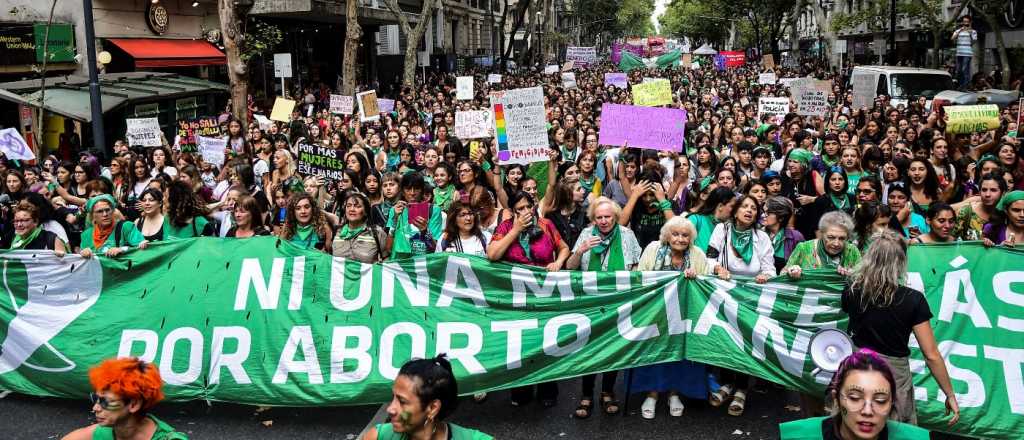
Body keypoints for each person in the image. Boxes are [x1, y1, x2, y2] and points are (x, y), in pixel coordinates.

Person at [843, 230, 960, 425]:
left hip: (857, 369)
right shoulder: (913, 300)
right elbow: (931, 354)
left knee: (856, 425)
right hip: (893, 376)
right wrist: (950, 394)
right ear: (901, 260)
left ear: (869, 257)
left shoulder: (852, 291)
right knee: (894, 428)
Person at [565, 197, 642, 418]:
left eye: (608, 217)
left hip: (618, 302)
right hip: (591, 303)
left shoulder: (627, 235)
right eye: (599, 217)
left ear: (615, 216)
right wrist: (580, 251)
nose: (604, 221)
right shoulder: (586, 234)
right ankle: (586, 394)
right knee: (590, 349)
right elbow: (570, 267)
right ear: (593, 219)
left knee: (612, 348)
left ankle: (608, 392)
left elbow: (637, 266)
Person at [632, 216, 714, 419]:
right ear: (667, 236)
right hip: (656, 313)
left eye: (685, 235)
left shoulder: (697, 254)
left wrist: (697, 277)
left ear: (691, 238)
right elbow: (640, 278)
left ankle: (674, 393)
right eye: (675, 234)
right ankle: (652, 394)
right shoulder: (652, 249)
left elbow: (707, 283)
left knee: (679, 355)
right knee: (655, 354)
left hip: (684, 315)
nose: (680, 238)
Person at [706, 195, 776, 416]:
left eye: (753, 208)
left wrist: (765, 276)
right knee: (727, 338)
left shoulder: (762, 237)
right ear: (735, 211)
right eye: (744, 206)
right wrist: (718, 269)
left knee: (746, 339)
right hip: (724, 294)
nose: (749, 211)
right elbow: (709, 258)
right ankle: (726, 383)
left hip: (751, 296)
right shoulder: (721, 231)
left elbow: (770, 269)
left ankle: (742, 389)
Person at [778, 349, 930, 440]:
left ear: (891, 404)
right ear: (836, 399)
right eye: (855, 398)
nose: (867, 411)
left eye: (880, 400)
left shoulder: (913, 438)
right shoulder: (798, 436)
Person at [362, 355, 492, 440]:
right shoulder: (377, 437)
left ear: (432, 408)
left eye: (402, 401)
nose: (390, 409)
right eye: (393, 398)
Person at [61, 357, 187, 440]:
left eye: (105, 402)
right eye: (96, 399)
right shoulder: (104, 432)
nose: (95, 408)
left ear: (133, 405)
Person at [785, 211, 861, 277]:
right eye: (831, 237)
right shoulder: (804, 248)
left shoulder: (852, 251)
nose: (836, 243)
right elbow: (783, 275)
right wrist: (791, 271)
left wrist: (853, 274)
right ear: (821, 234)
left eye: (842, 238)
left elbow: (862, 278)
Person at [388, 172, 443, 259]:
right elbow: (389, 248)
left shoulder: (433, 210)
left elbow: (435, 248)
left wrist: (425, 231)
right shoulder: (395, 210)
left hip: (422, 265)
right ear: (402, 191)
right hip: (399, 264)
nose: (412, 193)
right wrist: (394, 220)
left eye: (416, 188)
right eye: (408, 189)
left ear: (422, 190)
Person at [78, 195, 144, 258]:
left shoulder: (126, 227)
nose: (105, 214)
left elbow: (143, 248)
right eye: (100, 211)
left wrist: (122, 249)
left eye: (107, 210)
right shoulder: (86, 235)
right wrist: (83, 253)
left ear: (113, 211)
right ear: (92, 216)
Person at [333, 192, 389, 262]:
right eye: (348, 206)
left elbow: (386, 259)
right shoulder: (336, 232)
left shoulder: (377, 233)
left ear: (365, 211)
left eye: (357, 206)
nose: (352, 209)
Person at [952, 15, 977, 90]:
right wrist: (960, 30)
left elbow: (974, 41)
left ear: (970, 22)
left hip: (967, 53)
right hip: (959, 53)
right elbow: (952, 38)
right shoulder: (958, 30)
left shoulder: (973, 31)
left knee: (965, 69)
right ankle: (960, 85)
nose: (965, 23)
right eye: (964, 21)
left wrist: (969, 32)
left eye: (967, 22)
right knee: (959, 70)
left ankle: (965, 86)